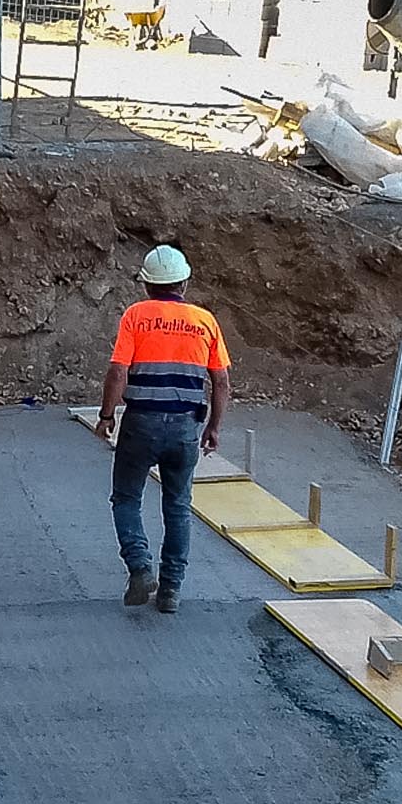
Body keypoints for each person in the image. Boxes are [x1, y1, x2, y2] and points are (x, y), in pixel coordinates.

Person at [94, 245, 230, 614]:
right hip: (186, 425)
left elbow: (118, 371)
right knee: (178, 505)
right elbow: (220, 381)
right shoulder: (205, 321)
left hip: (141, 424)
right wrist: (214, 427)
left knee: (126, 498)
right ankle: (170, 590)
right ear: (184, 282)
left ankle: (140, 568)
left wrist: (107, 415)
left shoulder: (136, 315)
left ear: (147, 285)